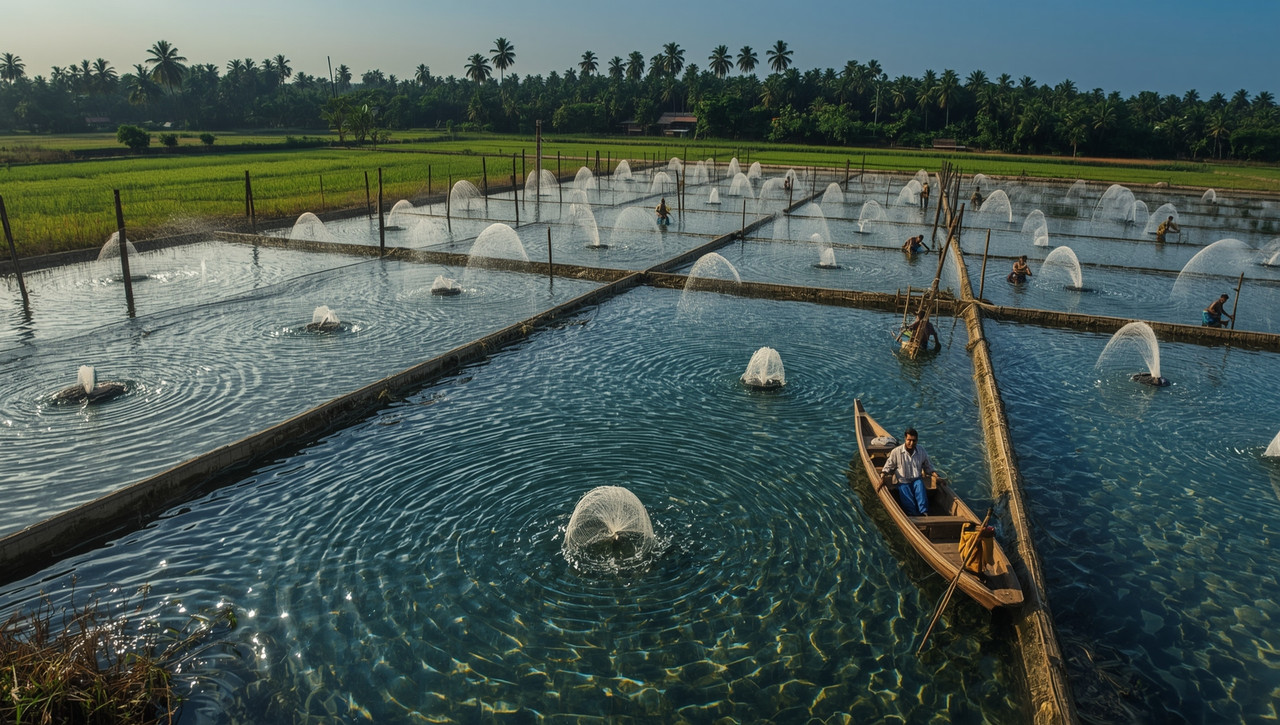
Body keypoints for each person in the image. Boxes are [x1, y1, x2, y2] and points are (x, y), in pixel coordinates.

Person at [881, 427, 938, 517]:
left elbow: (928, 466)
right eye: (909, 440)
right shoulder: (896, 452)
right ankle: (914, 516)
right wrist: (882, 477)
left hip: (916, 479)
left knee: (921, 490)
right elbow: (888, 466)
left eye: (914, 441)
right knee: (907, 499)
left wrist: (936, 476)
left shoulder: (921, 450)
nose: (911, 443)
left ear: (917, 440)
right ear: (905, 439)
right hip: (902, 481)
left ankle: (924, 513)